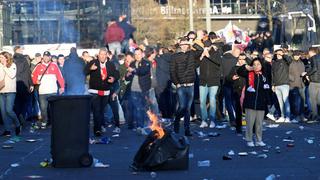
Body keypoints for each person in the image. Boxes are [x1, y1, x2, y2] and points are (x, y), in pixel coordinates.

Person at [170, 37, 203, 136]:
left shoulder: (192, 54)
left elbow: (201, 50)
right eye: (182, 45)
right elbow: (172, 71)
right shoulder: (175, 56)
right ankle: (176, 121)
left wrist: (191, 43)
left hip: (190, 85)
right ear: (179, 46)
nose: (184, 46)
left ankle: (187, 129)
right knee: (182, 107)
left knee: (188, 108)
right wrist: (177, 83)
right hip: (181, 85)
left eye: (185, 44)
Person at [84, 48, 119, 137]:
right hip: (95, 91)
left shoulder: (110, 64)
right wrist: (90, 69)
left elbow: (116, 74)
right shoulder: (93, 62)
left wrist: (114, 78)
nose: (102, 56)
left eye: (104, 54)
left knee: (102, 111)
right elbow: (84, 72)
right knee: (96, 110)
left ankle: (101, 125)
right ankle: (97, 130)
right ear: (98, 55)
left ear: (106, 55)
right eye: (101, 54)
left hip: (106, 91)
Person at [237, 58, 270, 147]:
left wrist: (268, 101)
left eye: (258, 64)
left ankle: (259, 140)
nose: (256, 66)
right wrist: (246, 67)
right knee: (250, 123)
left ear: (261, 65)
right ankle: (249, 139)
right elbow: (239, 71)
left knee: (259, 123)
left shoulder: (264, 76)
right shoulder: (248, 74)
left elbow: (268, 89)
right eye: (254, 64)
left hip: (261, 103)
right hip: (250, 102)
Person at [32, 51, 65, 129]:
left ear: (50, 57)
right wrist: (36, 81)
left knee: (52, 108)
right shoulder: (38, 66)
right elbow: (33, 77)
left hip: (53, 90)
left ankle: (53, 122)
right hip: (42, 91)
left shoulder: (54, 65)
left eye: (48, 56)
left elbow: (60, 77)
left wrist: (62, 87)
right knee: (43, 108)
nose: (46, 58)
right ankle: (44, 121)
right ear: (43, 57)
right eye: (45, 56)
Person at [125, 48, 151, 134]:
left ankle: (145, 125)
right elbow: (128, 77)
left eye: (138, 54)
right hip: (133, 89)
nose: (137, 56)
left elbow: (143, 71)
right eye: (135, 54)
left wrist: (134, 70)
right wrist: (127, 75)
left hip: (143, 89)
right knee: (137, 108)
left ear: (142, 54)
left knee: (144, 108)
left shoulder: (146, 63)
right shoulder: (132, 63)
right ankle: (140, 126)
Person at [198, 39, 222, 129]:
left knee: (212, 100)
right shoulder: (201, 53)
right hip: (203, 80)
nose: (206, 48)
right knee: (202, 101)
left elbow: (218, 64)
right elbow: (196, 64)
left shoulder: (216, 53)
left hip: (214, 80)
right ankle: (204, 120)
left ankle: (212, 120)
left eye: (207, 47)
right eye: (205, 47)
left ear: (211, 46)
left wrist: (209, 56)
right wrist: (200, 58)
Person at [0, 51, 21, 137]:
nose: (0, 59)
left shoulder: (13, 65)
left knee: (9, 110)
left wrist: (4, 67)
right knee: (3, 112)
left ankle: (18, 124)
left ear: (6, 58)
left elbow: (12, 75)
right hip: (1, 91)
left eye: (1, 57)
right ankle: (7, 130)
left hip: (10, 91)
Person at [13, 46, 33, 124]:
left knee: (17, 102)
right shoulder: (24, 59)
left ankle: (18, 117)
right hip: (24, 83)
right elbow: (28, 72)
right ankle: (22, 115)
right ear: (17, 50)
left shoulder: (12, 59)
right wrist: (31, 84)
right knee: (25, 101)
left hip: (15, 83)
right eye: (21, 49)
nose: (22, 51)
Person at [272, 48, 292, 123]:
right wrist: (273, 85)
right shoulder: (274, 62)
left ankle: (288, 117)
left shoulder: (285, 61)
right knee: (280, 102)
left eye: (280, 53)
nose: (278, 55)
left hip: (285, 84)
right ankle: (282, 116)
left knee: (286, 100)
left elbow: (290, 60)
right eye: (277, 53)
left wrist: (284, 55)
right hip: (277, 85)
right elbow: (272, 74)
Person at [288, 51, 306, 123]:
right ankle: (296, 116)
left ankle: (302, 115)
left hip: (301, 84)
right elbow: (287, 73)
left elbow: (303, 71)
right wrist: (292, 79)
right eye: (295, 55)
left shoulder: (301, 63)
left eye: (298, 55)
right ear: (293, 56)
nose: (297, 56)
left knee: (302, 101)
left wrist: (304, 75)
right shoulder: (291, 63)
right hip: (294, 84)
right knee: (295, 101)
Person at [305, 47, 320, 122]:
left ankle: (315, 117)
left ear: (311, 52)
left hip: (314, 82)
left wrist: (306, 74)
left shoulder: (313, 58)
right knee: (318, 100)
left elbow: (314, 69)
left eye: (309, 52)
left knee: (312, 101)